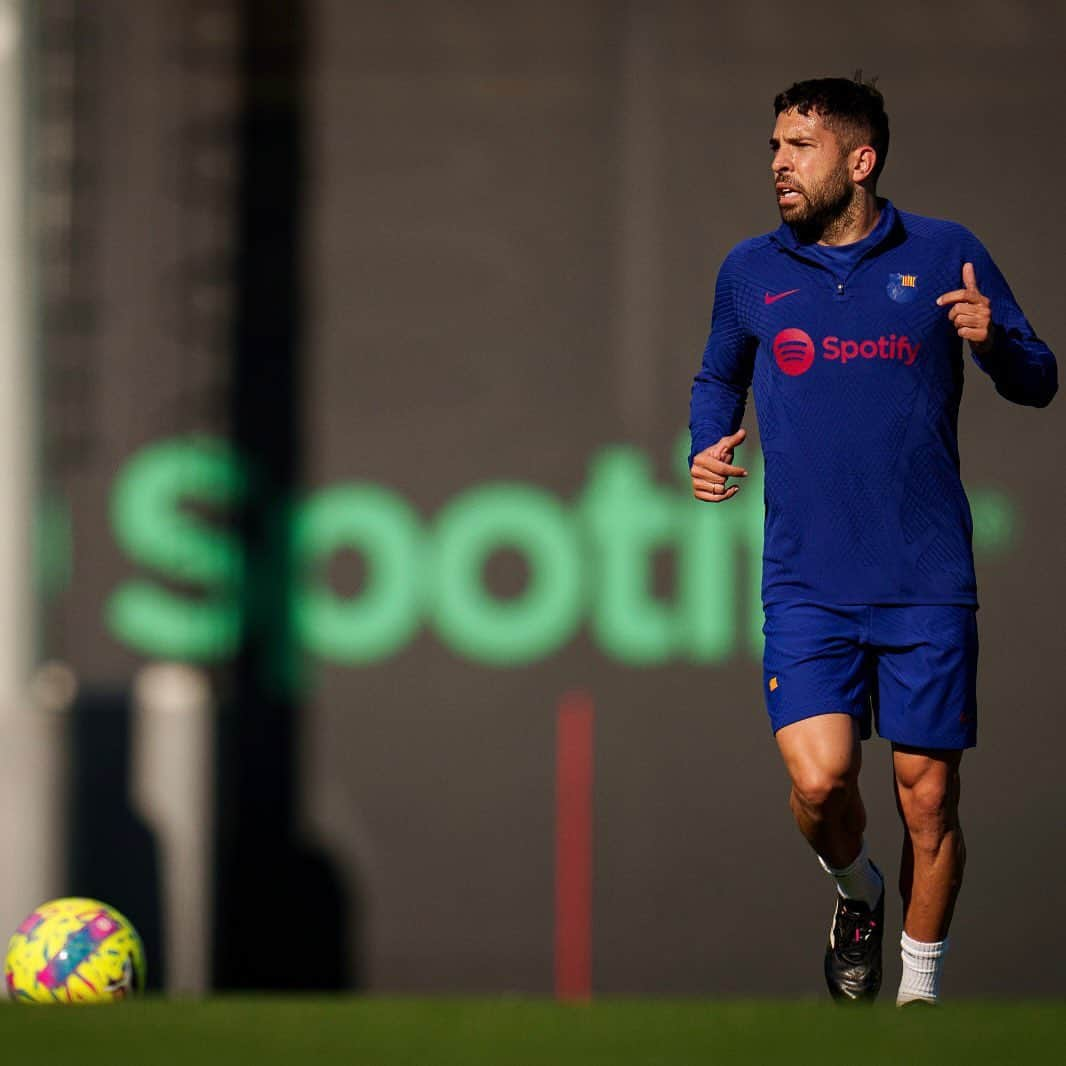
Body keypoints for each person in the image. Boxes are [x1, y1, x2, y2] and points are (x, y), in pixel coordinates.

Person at [688, 76, 1057, 1006]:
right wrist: (704, 445)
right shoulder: (750, 271)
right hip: (807, 583)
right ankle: (857, 890)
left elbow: (1038, 376)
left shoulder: (946, 253)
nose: (778, 162)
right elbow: (715, 376)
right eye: (774, 145)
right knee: (821, 786)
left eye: (799, 147)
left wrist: (997, 343)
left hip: (926, 579)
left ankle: (919, 996)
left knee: (928, 801)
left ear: (860, 161)